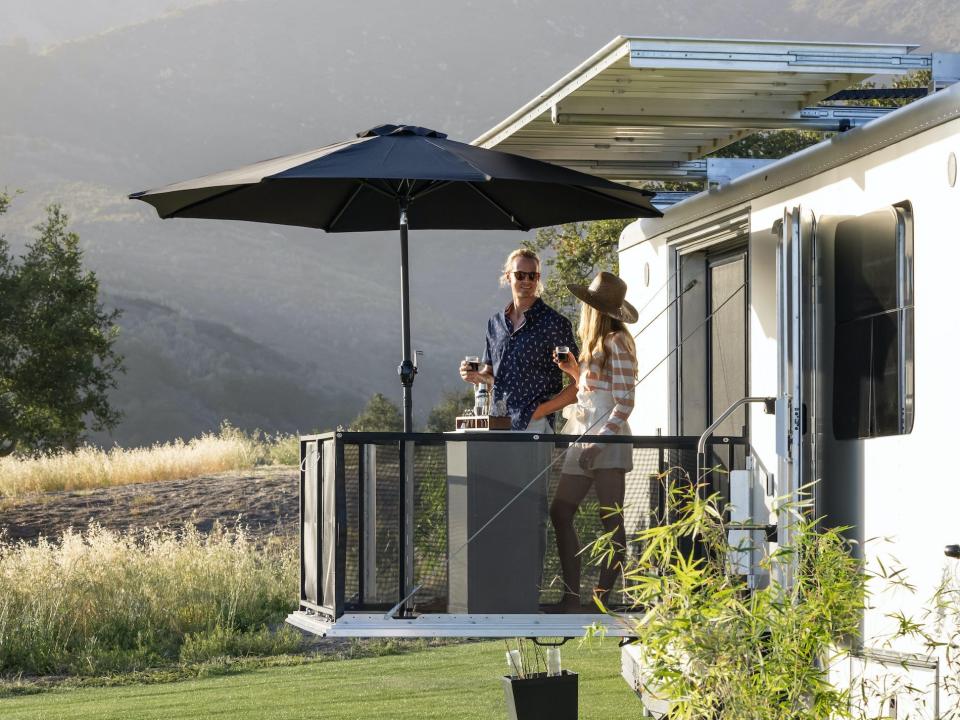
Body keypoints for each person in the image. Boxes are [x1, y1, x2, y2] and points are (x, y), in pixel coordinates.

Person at [548, 271, 638, 612]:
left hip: (607, 439)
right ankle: (572, 596)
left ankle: (599, 599)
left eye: (587, 305)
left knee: (610, 520)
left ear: (595, 310)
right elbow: (593, 394)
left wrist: (599, 443)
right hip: (583, 434)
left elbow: (625, 402)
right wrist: (575, 372)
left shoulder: (617, 342)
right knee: (561, 510)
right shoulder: (594, 345)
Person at [460, 248, 578, 432]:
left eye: (532, 276)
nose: (526, 281)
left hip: (534, 425)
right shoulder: (495, 323)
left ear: (538, 278)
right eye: (520, 275)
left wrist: (539, 412)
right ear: (508, 276)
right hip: (497, 422)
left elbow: (580, 382)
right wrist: (476, 376)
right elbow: (489, 374)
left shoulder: (555, 323)